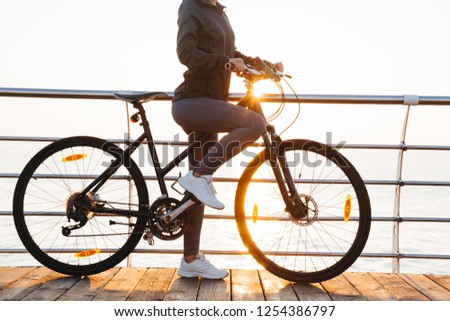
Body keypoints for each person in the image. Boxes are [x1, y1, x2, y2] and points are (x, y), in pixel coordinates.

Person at [172, 0, 283, 279]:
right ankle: (199, 174)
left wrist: (264, 65)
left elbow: (230, 53)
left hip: (209, 103)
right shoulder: (191, 6)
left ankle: (190, 259)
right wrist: (223, 62)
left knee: (197, 194)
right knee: (255, 123)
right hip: (192, 101)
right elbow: (186, 52)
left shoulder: (217, 11)